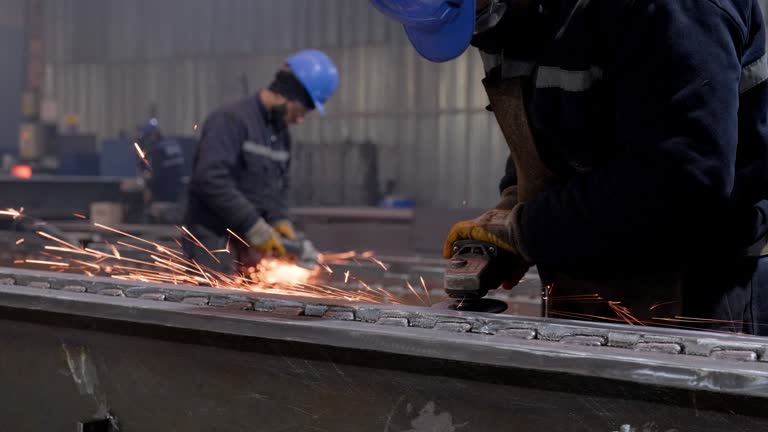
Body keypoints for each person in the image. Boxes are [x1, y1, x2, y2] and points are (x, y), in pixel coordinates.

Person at [370, 0, 768, 334]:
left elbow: (682, 182)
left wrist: (530, 228)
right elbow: (559, 126)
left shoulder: (669, 9)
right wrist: (514, 200)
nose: (483, 28)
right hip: (595, 275)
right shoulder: (511, 14)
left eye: (484, 10)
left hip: (706, 287)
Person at [184, 49, 339, 273]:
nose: (300, 119)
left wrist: (280, 219)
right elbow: (210, 179)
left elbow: (280, 185)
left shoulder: (281, 135)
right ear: (287, 92)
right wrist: (252, 225)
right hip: (213, 243)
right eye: (301, 110)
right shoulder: (231, 120)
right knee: (210, 303)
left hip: (249, 246)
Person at [136, 118, 185, 224]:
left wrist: (147, 187)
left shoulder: (159, 150)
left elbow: (156, 176)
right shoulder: (173, 145)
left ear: (152, 135)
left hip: (161, 202)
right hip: (177, 198)